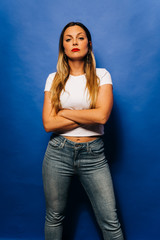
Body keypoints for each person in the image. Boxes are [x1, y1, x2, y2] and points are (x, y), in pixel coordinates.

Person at [42, 22, 124, 240]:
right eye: (68, 39)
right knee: (54, 216)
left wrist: (65, 112)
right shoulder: (53, 79)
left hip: (94, 155)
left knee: (110, 221)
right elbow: (49, 124)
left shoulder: (102, 76)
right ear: (63, 47)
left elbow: (102, 117)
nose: (74, 42)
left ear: (89, 43)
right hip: (58, 153)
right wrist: (88, 114)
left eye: (80, 37)